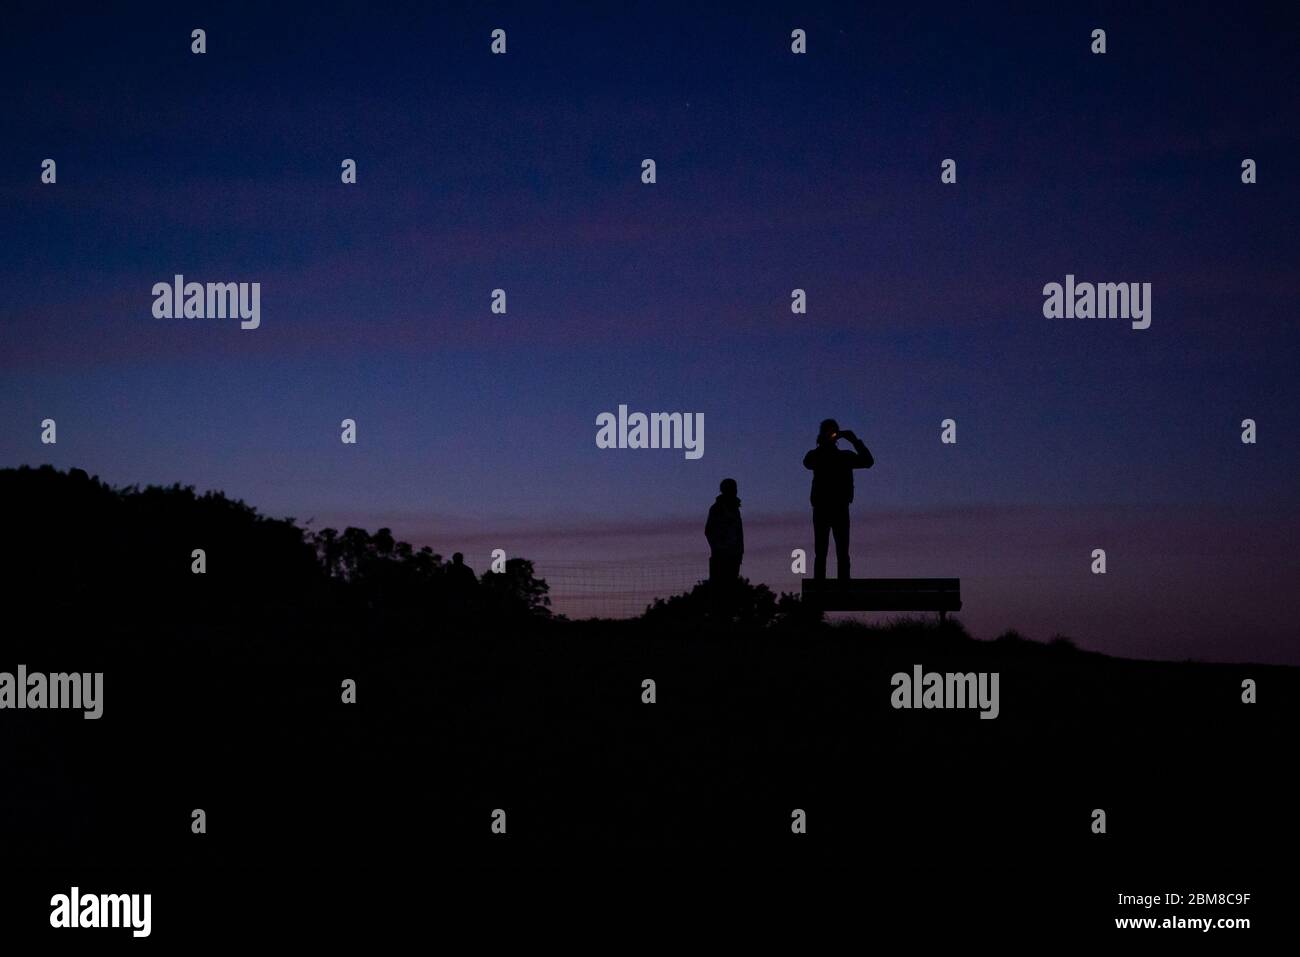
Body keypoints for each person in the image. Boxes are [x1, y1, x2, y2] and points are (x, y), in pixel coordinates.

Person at [802, 419, 873, 580]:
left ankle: (842, 589)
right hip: (824, 508)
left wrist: (854, 440)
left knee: (841, 552)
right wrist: (850, 441)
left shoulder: (844, 456)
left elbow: (868, 462)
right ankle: (821, 588)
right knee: (822, 552)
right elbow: (807, 462)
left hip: (837, 507)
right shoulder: (819, 456)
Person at [705, 478, 744, 583]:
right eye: (731, 488)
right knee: (721, 586)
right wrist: (719, 548)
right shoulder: (717, 509)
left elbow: (739, 533)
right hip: (721, 556)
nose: (735, 491)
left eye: (735, 488)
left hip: (734, 555)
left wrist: (739, 552)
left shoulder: (735, 510)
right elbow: (709, 531)